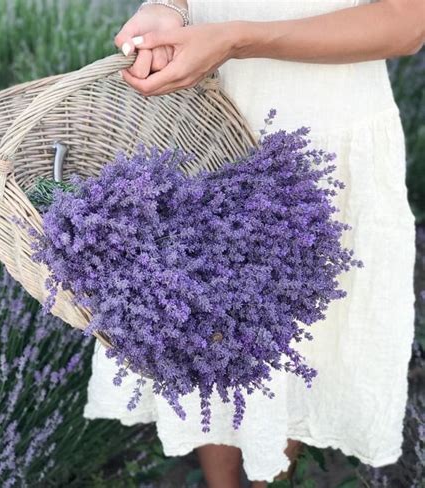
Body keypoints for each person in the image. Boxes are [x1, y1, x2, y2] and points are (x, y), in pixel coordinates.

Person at [83, 1, 425, 486]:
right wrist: (169, 8)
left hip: (319, 133)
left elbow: (407, 22)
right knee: (197, 334)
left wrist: (238, 38)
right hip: (201, 115)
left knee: (294, 353)